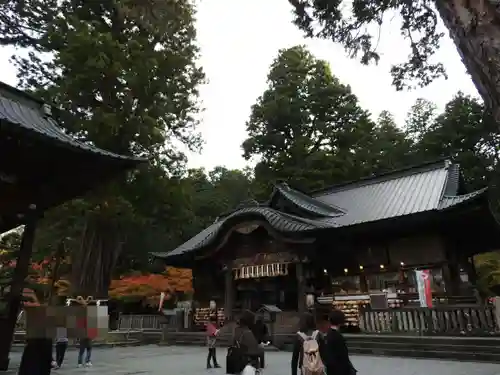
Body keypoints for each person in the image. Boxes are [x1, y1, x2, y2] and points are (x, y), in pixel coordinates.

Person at [322, 309, 356, 375]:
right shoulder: (338, 337)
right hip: (340, 370)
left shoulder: (328, 335)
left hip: (331, 370)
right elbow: (343, 356)